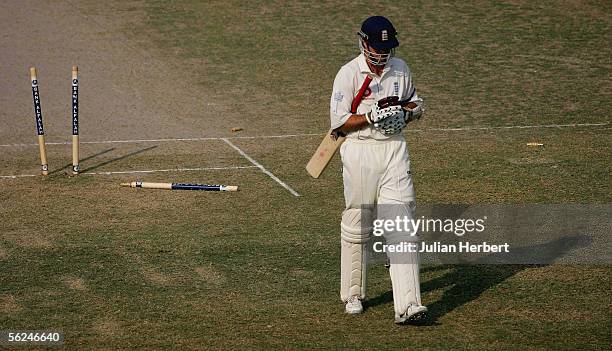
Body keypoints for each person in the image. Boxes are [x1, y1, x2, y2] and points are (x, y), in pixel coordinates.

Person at [330, 15, 427, 324]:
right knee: (358, 222)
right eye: (377, 47)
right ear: (364, 43)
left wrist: (405, 113)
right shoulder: (348, 74)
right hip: (360, 150)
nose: (382, 54)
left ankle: (408, 305)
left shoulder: (401, 69)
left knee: (402, 226)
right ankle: (353, 293)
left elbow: (415, 103)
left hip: (394, 149)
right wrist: (372, 117)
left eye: (387, 48)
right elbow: (340, 122)